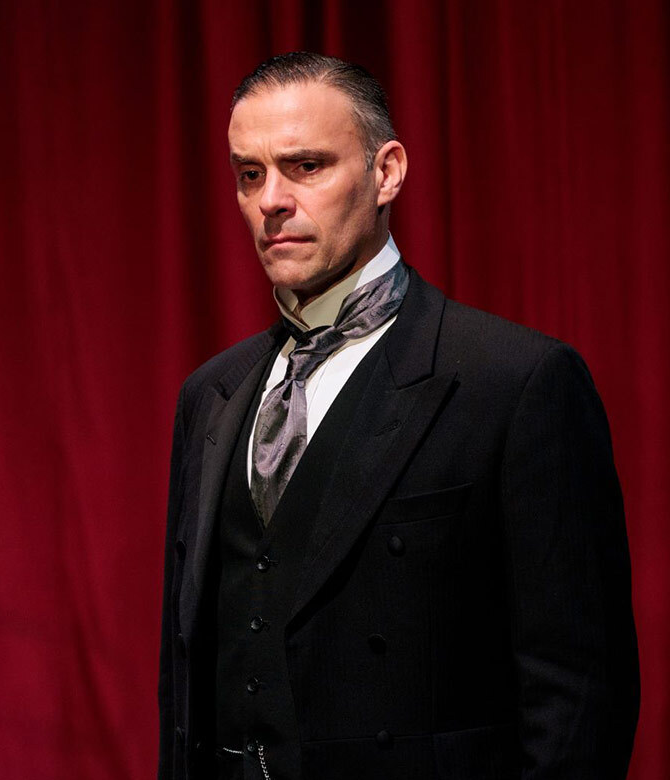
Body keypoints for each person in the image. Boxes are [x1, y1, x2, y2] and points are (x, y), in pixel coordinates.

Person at [156, 52, 639, 780]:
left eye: (306, 166)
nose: (270, 201)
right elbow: (187, 674)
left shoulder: (514, 382)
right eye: (250, 174)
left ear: (387, 172)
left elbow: (576, 692)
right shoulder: (211, 395)